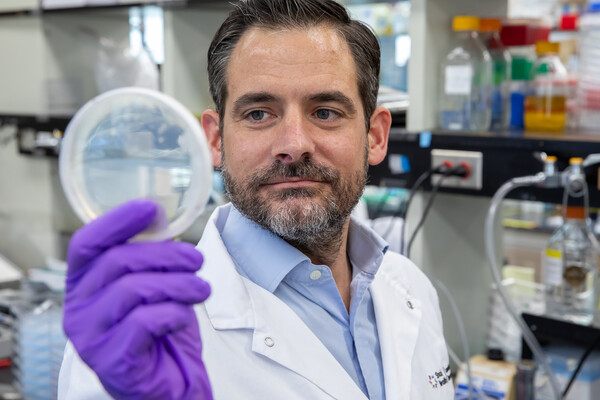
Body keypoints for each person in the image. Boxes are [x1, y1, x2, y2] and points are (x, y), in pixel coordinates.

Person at [58, 0, 453, 399]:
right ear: (214, 139)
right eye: (259, 114)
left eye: (326, 112)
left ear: (375, 136)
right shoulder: (136, 338)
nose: (294, 145)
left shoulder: (411, 290)